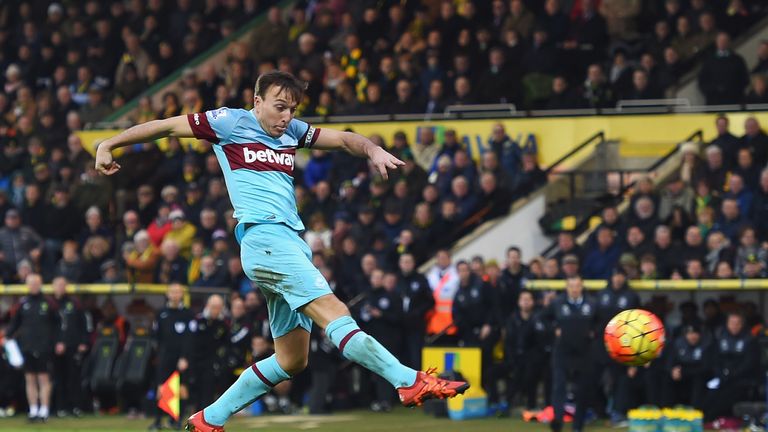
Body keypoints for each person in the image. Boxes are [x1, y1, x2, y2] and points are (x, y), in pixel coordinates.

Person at [95, 71, 468, 431]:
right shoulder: (229, 122)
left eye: (292, 108)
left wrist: (372, 149)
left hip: (288, 242)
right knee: (335, 312)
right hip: (265, 238)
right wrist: (108, 144)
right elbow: (166, 125)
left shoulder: (292, 130)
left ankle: (209, 419)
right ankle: (407, 380)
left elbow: (342, 139)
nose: (286, 116)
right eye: (279, 107)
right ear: (257, 102)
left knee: (292, 359)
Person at [542, 276, 597, 432]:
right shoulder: (558, 303)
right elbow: (543, 317)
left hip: (583, 352)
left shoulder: (591, 303)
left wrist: (593, 332)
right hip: (562, 351)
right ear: (567, 288)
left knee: (582, 390)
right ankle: (557, 421)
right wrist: (554, 329)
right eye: (571, 286)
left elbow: (600, 322)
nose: (574, 289)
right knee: (559, 386)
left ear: (582, 287)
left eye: (577, 286)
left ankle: (578, 426)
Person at [5, 273, 58, 422]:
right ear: (27, 285)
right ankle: (33, 410)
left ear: (40, 284)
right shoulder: (23, 303)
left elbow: (57, 325)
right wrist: (6, 337)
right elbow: (14, 324)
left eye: (36, 283)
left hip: (44, 347)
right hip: (27, 347)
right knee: (30, 379)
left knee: (44, 378)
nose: (33, 285)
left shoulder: (49, 302)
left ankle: (44, 410)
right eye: (31, 283)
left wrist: (57, 342)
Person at [51, 276, 89, 418]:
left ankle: (76, 407)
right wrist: (55, 342)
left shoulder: (74, 303)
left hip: (73, 346)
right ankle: (60, 407)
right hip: (55, 348)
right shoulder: (50, 304)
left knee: (73, 377)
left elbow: (83, 324)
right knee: (58, 378)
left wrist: (83, 341)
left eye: (63, 285)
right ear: (53, 287)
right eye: (57, 285)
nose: (60, 288)